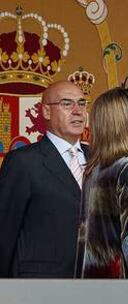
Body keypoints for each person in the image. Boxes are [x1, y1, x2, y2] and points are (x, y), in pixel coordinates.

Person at [0, 80, 88, 278]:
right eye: (67, 104)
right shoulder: (24, 162)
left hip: (97, 285)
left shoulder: (99, 159)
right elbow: (5, 232)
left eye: (81, 103)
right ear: (46, 112)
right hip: (40, 286)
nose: (77, 111)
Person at [74, 87, 128, 278]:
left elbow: (85, 239)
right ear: (126, 120)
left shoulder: (94, 168)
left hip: (97, 285)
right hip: (125, 288)